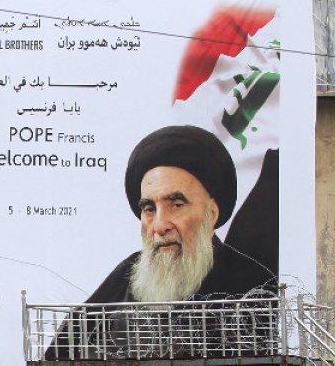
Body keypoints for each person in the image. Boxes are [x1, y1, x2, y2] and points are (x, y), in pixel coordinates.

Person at [84, 125, 274, 303]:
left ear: (212, 214)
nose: (159, 226)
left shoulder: (254, 285)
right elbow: (70, 336)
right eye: (149, 209)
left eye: (176, 205)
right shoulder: (129, 274)